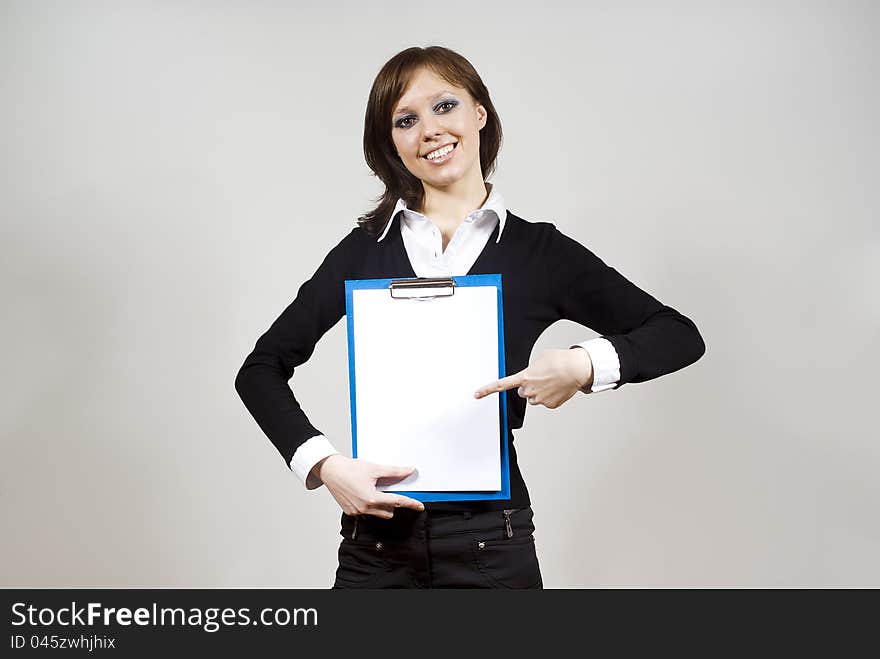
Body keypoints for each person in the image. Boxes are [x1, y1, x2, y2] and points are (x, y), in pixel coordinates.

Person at [234, 46, 706, 589]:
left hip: (490, 541)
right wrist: (324, 466)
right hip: (376, 543)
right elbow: (261, 367)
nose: (429, 130)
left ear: (479, 113)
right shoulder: (364, 250)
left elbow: (678, 335)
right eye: (405, 120)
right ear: (392, 145)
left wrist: (582, 366)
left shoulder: (539, 252)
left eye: (444, 106)